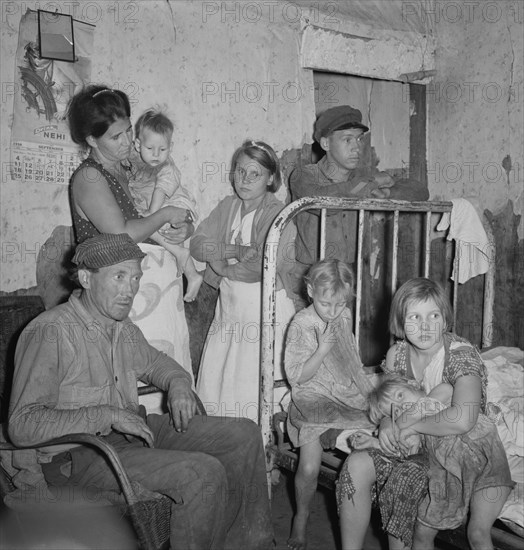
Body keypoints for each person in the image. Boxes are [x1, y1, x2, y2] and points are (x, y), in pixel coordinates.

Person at [8, 233, 275, 550]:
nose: (130, 289)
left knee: (244, 434)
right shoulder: (50, 332)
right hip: (81, 455)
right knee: (201, 473)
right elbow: (22, 425)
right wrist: (107, 415)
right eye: (119, 276)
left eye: (135, 277)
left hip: (134, 431)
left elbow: (160, 364)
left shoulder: (121, 327)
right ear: (86, 278)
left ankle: (250, 543)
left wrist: (178, 383)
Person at [336, 278, 514, 550]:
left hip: (460, 450)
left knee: (402, 481)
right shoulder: (398, 354)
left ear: (445, 319)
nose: (425, 326)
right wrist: (385, 423)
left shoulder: (460, 356)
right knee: (355, 465)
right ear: (399, 322)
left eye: (434, 315)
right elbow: (391, 399)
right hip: (416, 444)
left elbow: (462, 419)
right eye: (414, 317)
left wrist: (406, 427)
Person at [67, 84, 194, 387]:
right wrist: (163, 215)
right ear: (91, 139)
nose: (127, 142)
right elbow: (122, 233)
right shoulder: (88, 177)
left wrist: (184, 225)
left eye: (127, 131)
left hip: (162, 291)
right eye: (115, 136)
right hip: (122, 296)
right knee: (133, 380)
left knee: (170, 376)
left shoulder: (134, 164)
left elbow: (180, 196)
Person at [190, 140, 296, 422]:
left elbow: (264, 264)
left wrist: (222, 269)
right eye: (240, 171)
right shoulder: (228, 206)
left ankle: (261, 456)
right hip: (229, 313)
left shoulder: (279, 214)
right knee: (220, 388)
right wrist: (231, 252)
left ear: (271, 178)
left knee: (253, 392)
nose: (245, 180)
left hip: (262, 314)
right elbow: (198, 245)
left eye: (255, 173)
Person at [289, 105, 430, 307]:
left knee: (341, 335)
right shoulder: (305, 175)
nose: (357, 147)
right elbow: (324, 200)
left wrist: (387, 193)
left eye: (359, 139)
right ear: (326, 143)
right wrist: (371, 184)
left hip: (345, 276)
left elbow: (419, 191)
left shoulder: (361, 177)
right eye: (347, 139)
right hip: (308, 280)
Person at [284, 259, 376, 550]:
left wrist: (369, 394)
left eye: (340, 304)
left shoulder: (343, 315)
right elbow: (297, 377)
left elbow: (352, 361)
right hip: (311, 396)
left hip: (342, 393)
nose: (333, 312)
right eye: (326, 304)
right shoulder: (302, 323)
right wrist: (322, 348)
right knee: (310, 468)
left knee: (380, 425)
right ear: (311, 291)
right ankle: (300, 518)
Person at [129, 108, 203, 302]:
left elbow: (160, 192)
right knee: (167, 234)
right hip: (162, 210)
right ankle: (192, 273)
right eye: (150, 148)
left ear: (171, 147)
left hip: (176, 205)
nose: (156, 154)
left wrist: (151, 216)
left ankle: (188, 267)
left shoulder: (167, 167)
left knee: (149, 223)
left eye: (162, 150)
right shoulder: (134, 162)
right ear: (137, 145)